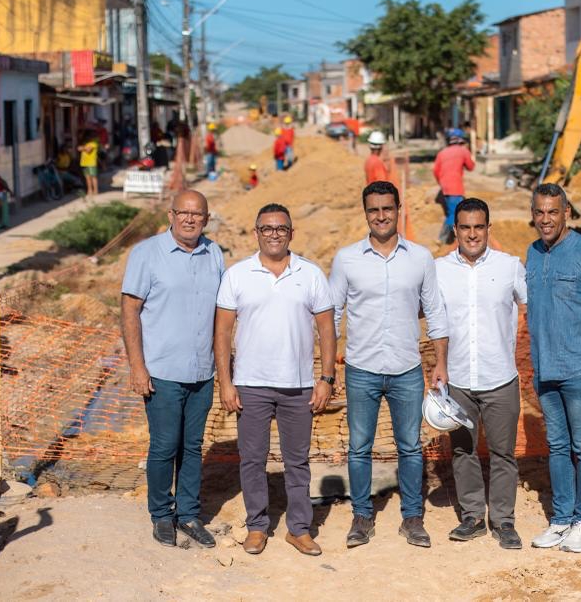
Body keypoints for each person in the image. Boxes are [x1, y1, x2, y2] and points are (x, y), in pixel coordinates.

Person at [329, 180, 449, 549]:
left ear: (399, 210)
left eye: (387, 208)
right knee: (360, 447)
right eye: (373, 210)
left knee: (410, 447)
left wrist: (441, 362)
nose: (381, 216)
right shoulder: (346, 259)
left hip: (407, 368)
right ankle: (361, 517)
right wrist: (327, 368)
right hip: (361, 368)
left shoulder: (421, 258)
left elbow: (435, 312)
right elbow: (331, 313)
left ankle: (412, 518)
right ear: (365, 213)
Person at [214, 203, 336, 557]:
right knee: (252, 459)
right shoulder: (237, 275)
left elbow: (327, 329)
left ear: (291, 233)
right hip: (251, 384)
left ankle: (299, 529)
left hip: (298, 386)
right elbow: (222, 332)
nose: (274, 234)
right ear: (256, 233)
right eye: (266, 228)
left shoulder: (310, 274)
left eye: (280, 228)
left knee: (297, 461)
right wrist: (226, 382)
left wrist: (326, 378)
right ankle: (257, 526)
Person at [120, 190, 224, 549]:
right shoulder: (147, 254)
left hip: (202, 371)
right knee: (165, 446)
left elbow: (222, 314)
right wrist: (137, 366)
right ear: (171, 214)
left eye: (198, 214)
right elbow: (130, 309)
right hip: (162, 371)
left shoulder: (215, 254)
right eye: (183, 212)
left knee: (193, 446)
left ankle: (190, 514)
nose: (190, 219)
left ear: (207, 219)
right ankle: (162, 515)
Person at [526, 183, 581, 554]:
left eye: (553, 212)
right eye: (539, 212)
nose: (545, 219)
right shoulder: (532, 254)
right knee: (557, 446)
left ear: (567, 213)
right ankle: (561, 519)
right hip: (546, 371)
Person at [435, 198, 527, 549]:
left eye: (479, 227)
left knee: (504, 453)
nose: (472, 234)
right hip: (457, 379)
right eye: (465, 227)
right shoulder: (439, 270)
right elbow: (427, 316)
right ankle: (473, 516)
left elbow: (534, 304)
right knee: (463, 451)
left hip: (500, 377)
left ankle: (503, 520)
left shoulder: (510, 267)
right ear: (455, 230)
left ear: (489, 229)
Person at [433, 130, 475, 244]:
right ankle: (442, 239)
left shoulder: (442, 153)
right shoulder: (463, 151)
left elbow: (435, 170)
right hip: (455, 188)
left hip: (445, 188)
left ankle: (454, 237)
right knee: (454, 214)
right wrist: (470, 153)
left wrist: (441, 182)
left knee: (454, 212)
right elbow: (471, 166)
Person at [77, 130, 99, 198]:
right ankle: (89, 190)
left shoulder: (94, 143)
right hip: (84, 163)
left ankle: (95, 190)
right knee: (87, 178)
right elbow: (78, 148)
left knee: (93, 177)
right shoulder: (86, 144)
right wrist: (84, 148)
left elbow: (88, 150)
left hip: (91, 163)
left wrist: (82, 148)